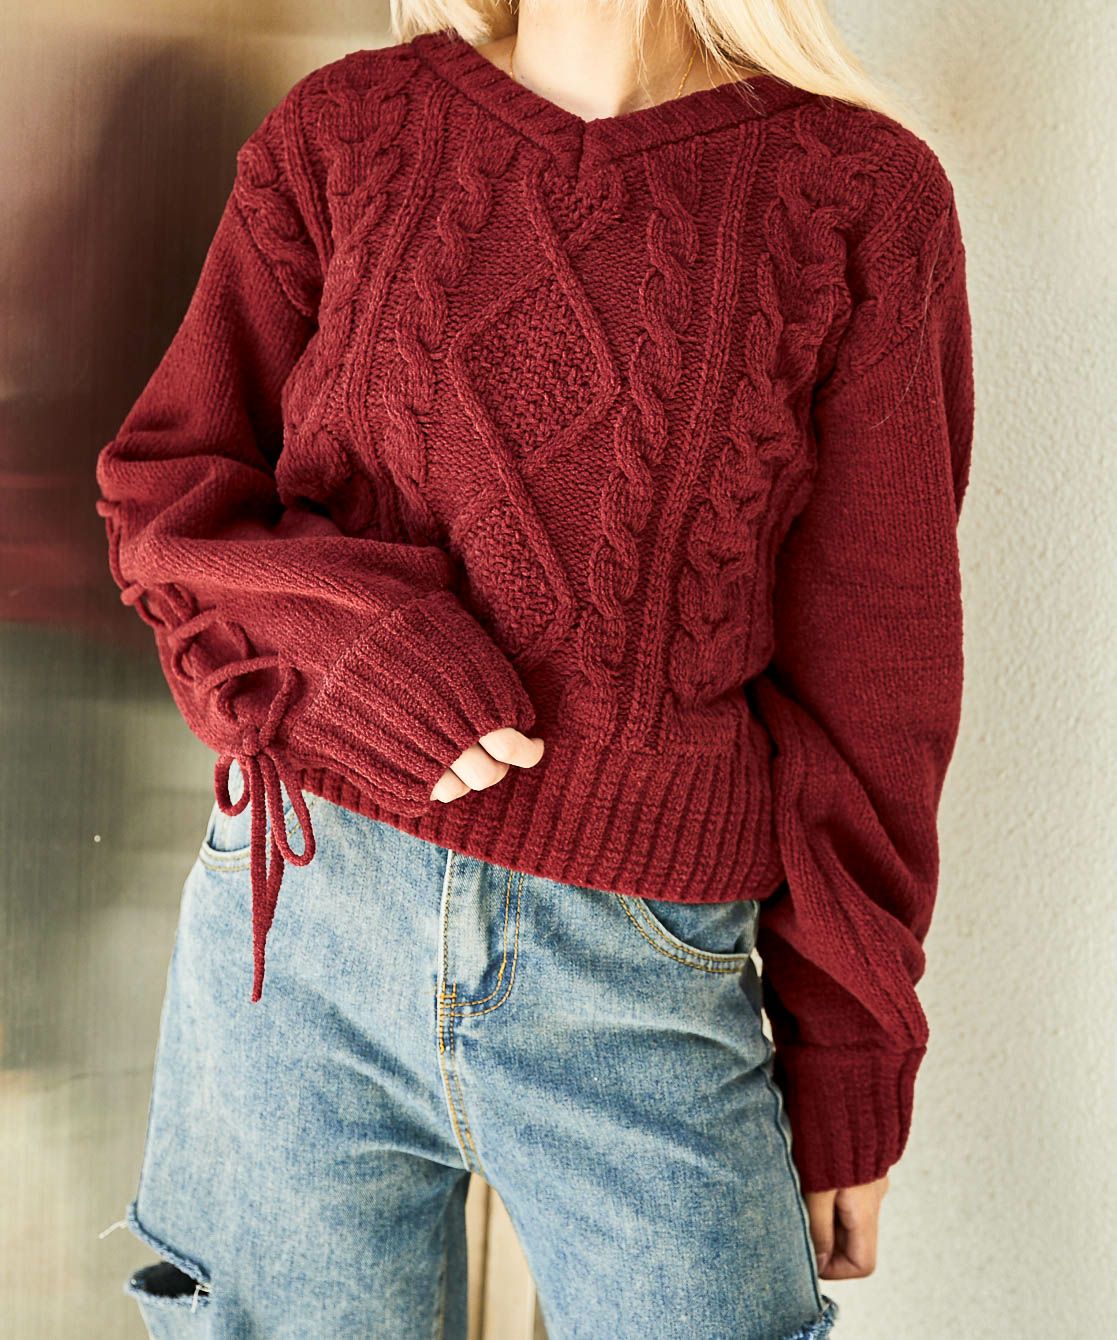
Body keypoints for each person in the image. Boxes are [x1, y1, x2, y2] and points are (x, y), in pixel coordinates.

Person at [94, 1, 974, 1335]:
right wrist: (361, 651)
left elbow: (878, 673)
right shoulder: (349, 128)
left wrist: (851, 1040)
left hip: (639, 974)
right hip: (299, 933)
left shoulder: (857, 197)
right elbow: (168, 495)